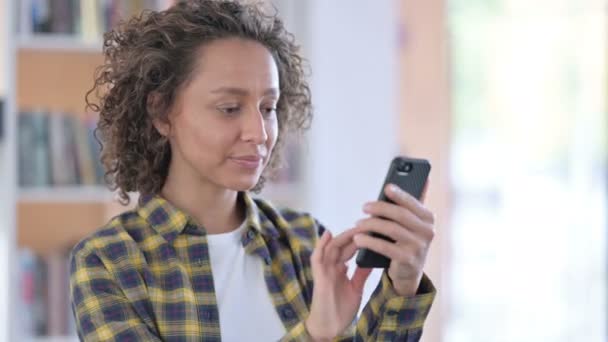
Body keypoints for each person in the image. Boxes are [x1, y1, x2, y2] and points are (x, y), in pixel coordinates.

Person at [69, 1, 437, 341]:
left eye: (268, 107)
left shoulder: (305, 242)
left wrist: (403, 283)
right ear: (162, 112)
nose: (259, 134)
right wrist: (315, 334)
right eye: (229, 108)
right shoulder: (108, 262)